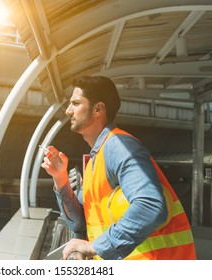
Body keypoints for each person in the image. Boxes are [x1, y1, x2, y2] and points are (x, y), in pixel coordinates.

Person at [41, 76, 196, 260]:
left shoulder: (119, 145)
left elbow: (151, 206)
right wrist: (60, 179)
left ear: (98, 108)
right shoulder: (95, 159)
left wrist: (94, 247)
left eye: (75, 103)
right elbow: (79, 222)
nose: (68, 111)